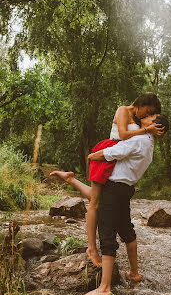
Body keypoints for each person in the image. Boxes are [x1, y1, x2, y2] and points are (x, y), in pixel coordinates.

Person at [51, 93, 164, 267]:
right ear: (141, 104)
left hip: (118, 157)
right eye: (148, 112)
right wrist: (147, 130)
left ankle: (70, 179)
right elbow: (124, 134)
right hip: (107, 153)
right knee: (95, 203)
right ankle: (92, 248)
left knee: (98, 198)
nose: (146, 116)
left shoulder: (139, 120)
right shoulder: (123, 110)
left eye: (151, 115)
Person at [83, 113, 169, 295]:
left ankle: (104, 288)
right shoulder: (149, 143)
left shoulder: (140, 140)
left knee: (106, 233)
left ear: (156, 125)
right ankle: (134, 272)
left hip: (114, 189)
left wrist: (92, 156)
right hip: (126, 188)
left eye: (152, 116)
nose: (146, 116)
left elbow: (114, 152)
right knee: (126, 230)